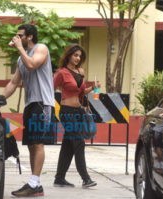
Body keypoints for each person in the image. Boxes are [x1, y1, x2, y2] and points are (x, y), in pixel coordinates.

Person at [2, 24, 54, 197]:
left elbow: (32, 65)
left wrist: (18, 48)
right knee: (31, 144)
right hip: (30, 105)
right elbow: (14, 83)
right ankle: (35, 184)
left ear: (29, 37)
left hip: (43, 104)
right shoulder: (20, 59)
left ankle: (34, 182)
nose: (17, 38)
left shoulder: (41, 49)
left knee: (38, 143)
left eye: (20, 35)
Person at [53, 43, 100, 188]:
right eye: (75, 55)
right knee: (79, 142)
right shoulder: (61, 73)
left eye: (80, 56)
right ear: (69, 55)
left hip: (78, 112)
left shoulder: (81, 72)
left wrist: (93, 88)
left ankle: (59, 178)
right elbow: (49, 89)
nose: (78, 58)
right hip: (67, 112)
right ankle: (86, 178)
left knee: (68, 145)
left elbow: (80, 93)